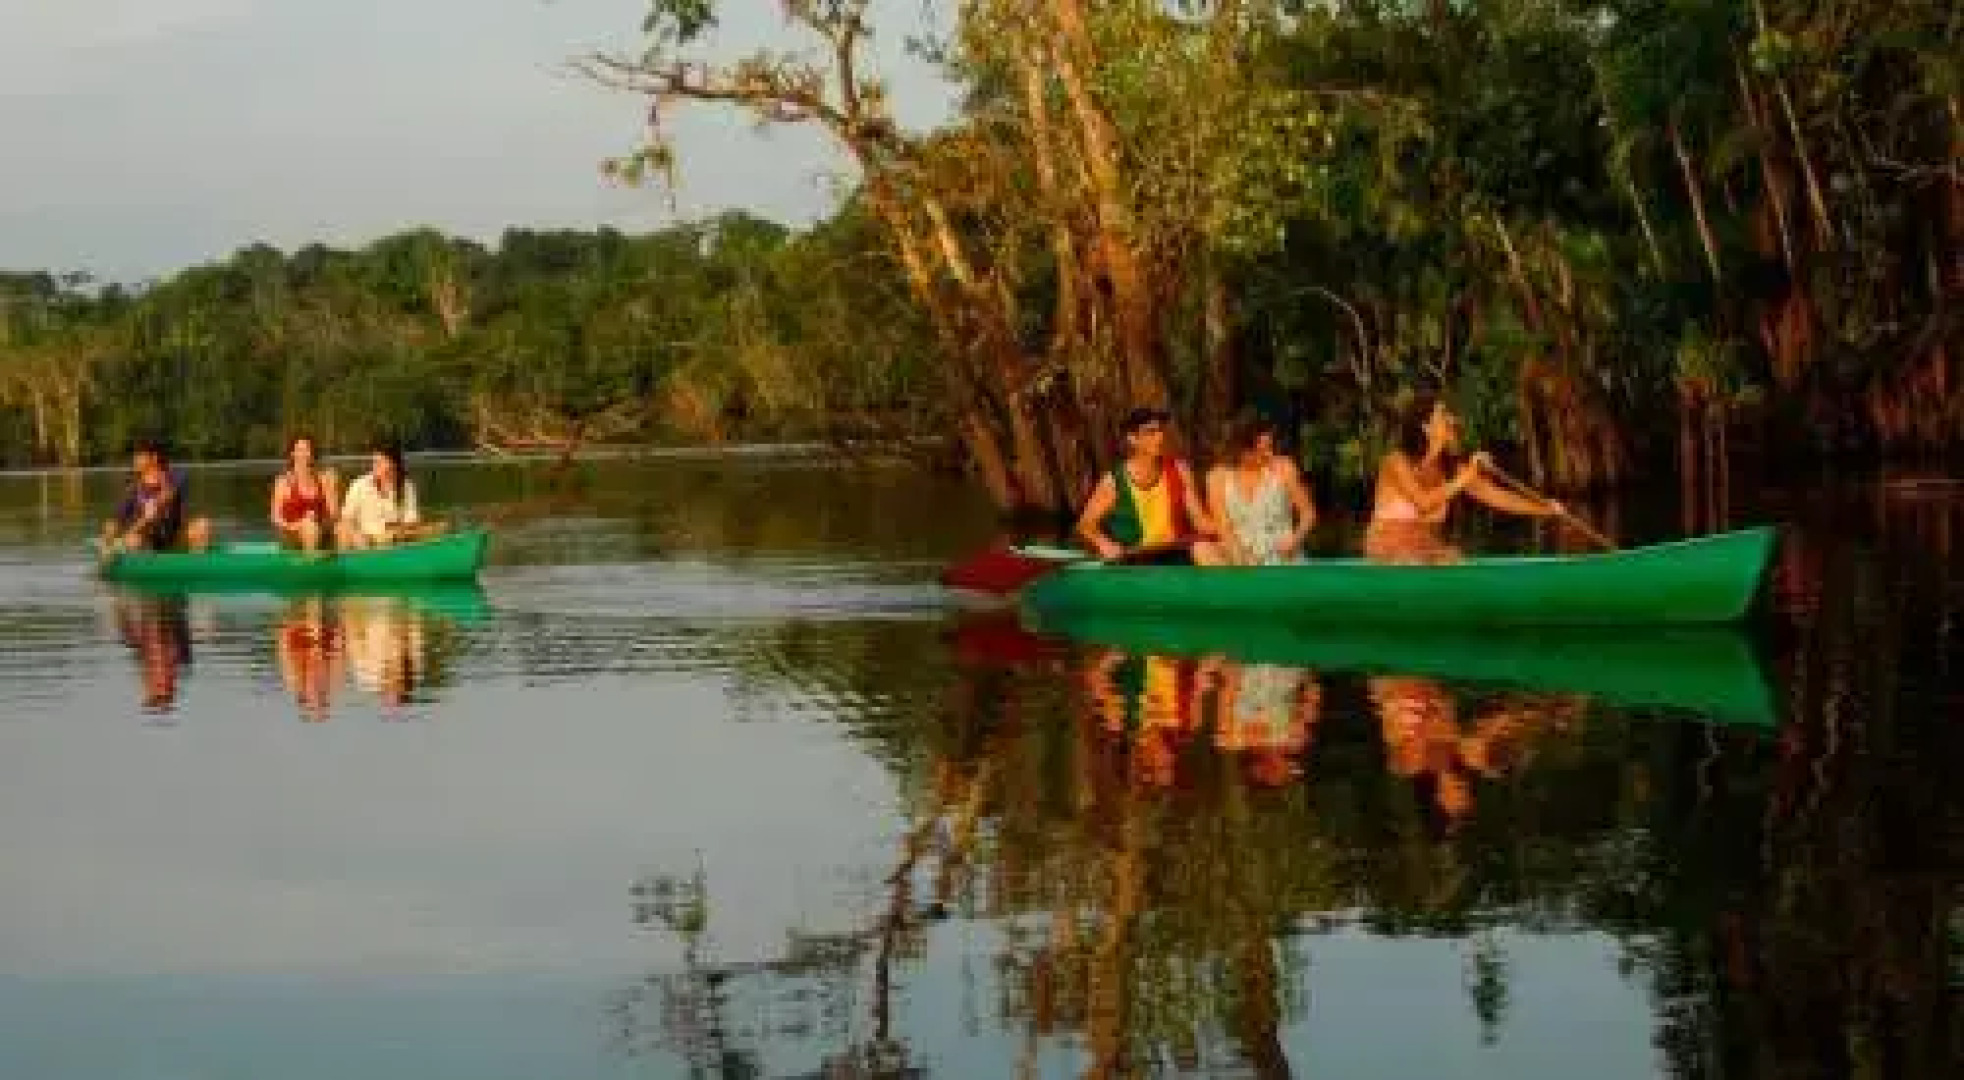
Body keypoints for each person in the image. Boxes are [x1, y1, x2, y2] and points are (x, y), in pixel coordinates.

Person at [1364, 394, 1564, 562]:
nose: (1452, 420)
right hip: (1389, 550)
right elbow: (1423, 503)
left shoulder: (1452, 470)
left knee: (1454, 557)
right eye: (1443, 415)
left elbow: (1498, 497)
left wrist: (1545, 509)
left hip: (1426, 550)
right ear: (1425, 427)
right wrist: (1467, 476)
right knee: (1417, 560)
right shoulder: (1396, 462)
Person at [1074, 407, 1224, 566]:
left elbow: (1199, 520)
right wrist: (1104, 543)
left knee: (1206, 548)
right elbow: (1085, 524)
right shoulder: (1113, 481)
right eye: (1150, 432)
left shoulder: (1180, 469)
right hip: (1137, 561)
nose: (1160, 437)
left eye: (1160, 431)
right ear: (1133, 439)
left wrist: (1229, 528)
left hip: (1176, 554)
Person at [1205, 413, 1318, 565]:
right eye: (1259, 450)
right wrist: (1243, 560)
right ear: (1241, 448)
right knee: (1203, 550)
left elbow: (1308, 514)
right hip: (1240, 557)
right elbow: (1224, 528)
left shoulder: (1284, 467)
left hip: (1282, 556)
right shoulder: (1217, 477)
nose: (1267, 454)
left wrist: (1295, 539)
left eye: (1269, 447)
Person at [101, 439, 211, 553]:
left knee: (202, 524)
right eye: (135, 456)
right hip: (148, 540)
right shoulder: (133, 487)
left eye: (139, 456)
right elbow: (117, 518)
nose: (134, 460)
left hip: (177, 535)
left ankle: (193, 562)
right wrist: (108, 538)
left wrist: (133, 529)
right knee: (132, 541)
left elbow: (164, 499)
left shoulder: (178, 475)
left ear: (154, 458)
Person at [337, 442, 435, 549]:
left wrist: (398, 528)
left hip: (394, 536)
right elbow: (346, 518)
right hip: (366, 538)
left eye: (379, 462)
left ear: (392, 464)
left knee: (435, 529)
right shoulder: (360, 485)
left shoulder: (406, 486)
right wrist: (357, 534)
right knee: (344, 529)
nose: (374, 466)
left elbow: (411, 519)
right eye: (374, 462)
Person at [270, 434, 340, 552]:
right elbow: (275, 517)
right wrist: (294, 525)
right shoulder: (283, 481)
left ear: (312, 454)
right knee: (309, 527)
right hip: (293, 534)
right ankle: (310, 564)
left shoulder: (325, 478)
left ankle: (347, 567)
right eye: (299, 450)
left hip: (321, 529)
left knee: (344, 527)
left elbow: (334, 513)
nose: (303, 454)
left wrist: (318, 519)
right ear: (293, 454)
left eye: (307, 450)